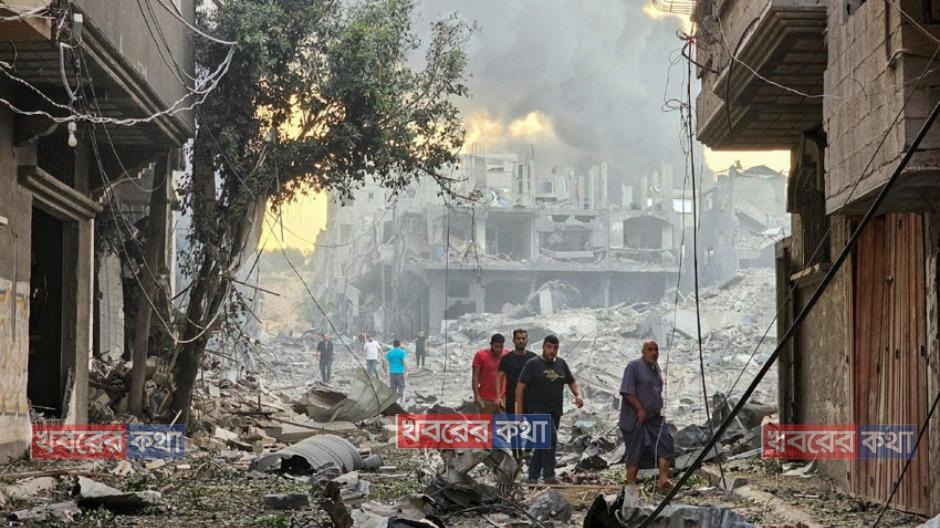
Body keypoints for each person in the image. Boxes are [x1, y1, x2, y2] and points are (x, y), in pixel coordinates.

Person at [515, 335, 583, 484]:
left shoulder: (561, 364)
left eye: (555, 348)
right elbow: (519, 388)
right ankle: (549, 476)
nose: (552, 351)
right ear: (543, 347)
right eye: (549, 347)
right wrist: (519, 413)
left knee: (543, 444)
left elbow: (571, 382)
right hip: (536, 411)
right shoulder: (533, 364)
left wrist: (578, 395)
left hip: (555, 412)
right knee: (550, 438)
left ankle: (532, 477)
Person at [619, 340, 675, 491]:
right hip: (635, 418)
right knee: (635, 451)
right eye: (650, 350)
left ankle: (663, 481)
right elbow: (626, 392)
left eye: (656, 350)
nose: (653, 353)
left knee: (665, 442)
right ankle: (631, 487)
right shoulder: (634, 367)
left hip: (654, 418)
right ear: (643, 351)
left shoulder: (655, 368)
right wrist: (639, 409)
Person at [497, 329, 537, 460]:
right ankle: (516, 457)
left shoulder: (533, 358)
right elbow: (500, 378)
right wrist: (499, 397)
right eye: (518, 338)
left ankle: (528, 451)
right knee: (515, 430)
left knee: (534, 426)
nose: (521, 341)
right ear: (513, 340)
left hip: (530, 399)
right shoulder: (506, 359)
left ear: (527, 340)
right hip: (512, 399)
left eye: (523, 338)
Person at [472, 334, 509, 413]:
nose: (499, 349)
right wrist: (476, 395)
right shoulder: (481, 355)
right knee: (486, 420)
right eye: (496, 347)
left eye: (501, 346)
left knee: (505, 420)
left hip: (502, 398)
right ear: (491, 345)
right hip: (486, 399)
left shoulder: (507, 355)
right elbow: (475, 376)